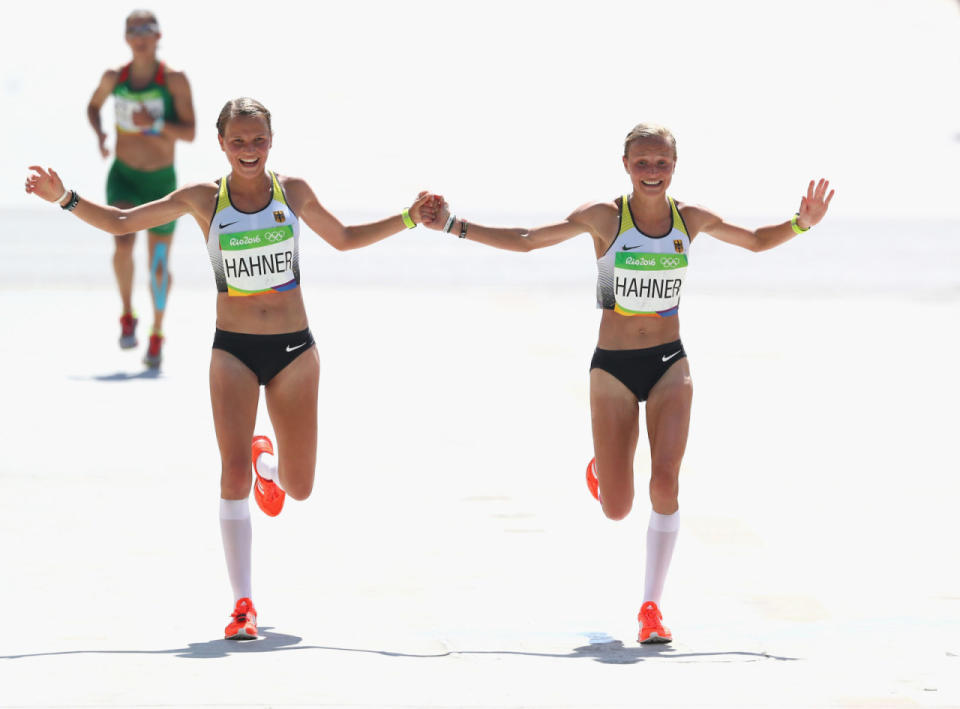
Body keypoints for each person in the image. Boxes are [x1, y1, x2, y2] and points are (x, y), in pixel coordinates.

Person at [26, 97, 438, 640]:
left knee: (300, 487)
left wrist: (410, 217)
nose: (249, 150)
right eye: (238, 141)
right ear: (221, 144)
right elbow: (123, 221)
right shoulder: (203, 199)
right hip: (233, 352)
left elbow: (344, 239)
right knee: (231, 475)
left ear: (272, 142)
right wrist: (65, 198)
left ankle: (268, 464)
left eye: (258, 140)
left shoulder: (293, 193)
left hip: (294, 351)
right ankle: (242, 603)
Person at [424, 123, 834, 644]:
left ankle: (650, 608)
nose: (652, 172)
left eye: (661, 163)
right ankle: (602, 464)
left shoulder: (692, 219)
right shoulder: (604, 218)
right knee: (617, 507)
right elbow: (528, 242)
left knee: (665, 482)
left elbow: (754, 241)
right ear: (625, 165)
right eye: (642, 163)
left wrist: (802, 223)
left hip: (669, 363)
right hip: (613, 369)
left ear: (674, 166)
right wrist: (454, 225)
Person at [86, 10, 195, 367]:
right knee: (122, 241)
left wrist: (157, 123)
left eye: (147, 28)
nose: (140, 35)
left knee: (159, 264)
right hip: (124, 176)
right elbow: (93, 105)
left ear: (158, 35)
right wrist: (100, 133)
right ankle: (127, 313)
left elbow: (191, 133)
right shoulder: (114, 77)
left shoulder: (174, 80)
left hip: (161, 182)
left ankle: (157, 333)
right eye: (133, 29)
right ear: (126, 38)